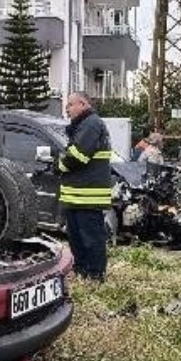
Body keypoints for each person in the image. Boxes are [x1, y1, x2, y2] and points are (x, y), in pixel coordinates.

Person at [57, 92, 114, 281]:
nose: (67, 109)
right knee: (77, 239)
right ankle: (82, 271)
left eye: (70, 104)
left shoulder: (91, 123)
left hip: (88, 196)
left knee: (91, 239)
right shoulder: (84, 125)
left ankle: (95, 275)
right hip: (77, 195)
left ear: (83, 104)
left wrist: (58, 164)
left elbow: (77, 156)